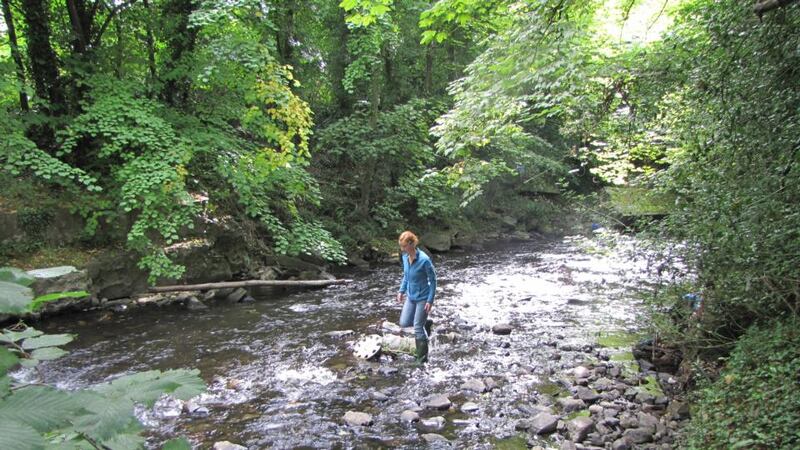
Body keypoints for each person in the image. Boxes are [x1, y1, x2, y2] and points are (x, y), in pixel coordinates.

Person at [396, 231, 437, 364]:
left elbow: (433, 281)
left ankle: (422, 359)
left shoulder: (424, 260)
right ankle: (426, 323)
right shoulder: (405, 257)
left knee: (417, 328)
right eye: (401, 247)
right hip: (411, 296)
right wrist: (401, 291)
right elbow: (406, 276)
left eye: (404, 246)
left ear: (411, 244)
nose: (402, 249)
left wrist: (430, 300)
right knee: (404, 323)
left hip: (423, 297)